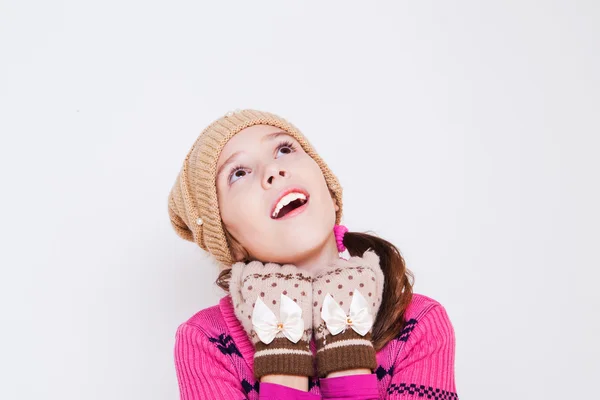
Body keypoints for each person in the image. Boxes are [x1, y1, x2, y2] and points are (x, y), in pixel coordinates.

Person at [168, 109, 459, 399]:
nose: (273, 171)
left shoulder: (418, 323)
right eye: (239, 173)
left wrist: (346, 347)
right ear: (229, 241)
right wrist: (282, 350)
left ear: (332, 195)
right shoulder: (205, 341)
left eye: (283, 149)